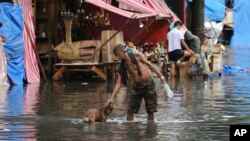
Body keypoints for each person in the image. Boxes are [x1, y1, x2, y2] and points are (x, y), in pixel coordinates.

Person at [106, 44, 167, 121]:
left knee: (150, 111)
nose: (117, 57)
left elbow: (150, 65)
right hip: (137, 86)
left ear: (123, 51)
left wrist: (160, 76)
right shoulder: (123, 65)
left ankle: (151, 129)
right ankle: (130, 130)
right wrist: (112, 98)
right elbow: (118, 82)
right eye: (116, 56)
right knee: (130, 110)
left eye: (118, 54)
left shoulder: (136, 55)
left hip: (149, 84)